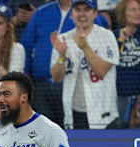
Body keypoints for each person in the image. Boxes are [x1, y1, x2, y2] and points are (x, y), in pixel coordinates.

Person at [20, 0, 108, 126]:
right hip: (40, 87)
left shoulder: (88, 15)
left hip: (73, 88)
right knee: (44, 133)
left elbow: (100, 51)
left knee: (72, 132)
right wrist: (25, 83)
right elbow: (26, 48)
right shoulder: (41, 13)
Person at [50, 0, 119, 129]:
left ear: (95, 13)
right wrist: (62, 56)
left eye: (87, 9)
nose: (82, 14)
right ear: (71, 14)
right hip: (74, 114)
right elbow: (56, 77)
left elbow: (101, 71)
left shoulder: (106, 36)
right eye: (78, 9)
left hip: (103, 115)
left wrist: (85, 46)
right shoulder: (63, 39)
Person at [115, 0, 140, 126]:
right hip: (119, 97)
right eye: (133, 10)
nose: (137, 13)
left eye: (139, 9)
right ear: (123, 13)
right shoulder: (112, 36)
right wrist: (120, 41)